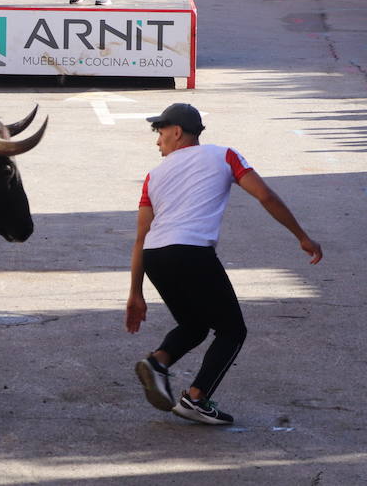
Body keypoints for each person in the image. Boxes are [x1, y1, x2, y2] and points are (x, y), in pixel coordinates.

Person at [127, 103, 322, 426]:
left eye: (160, 133)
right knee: (232, 330)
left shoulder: (153, 177)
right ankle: (196, 398)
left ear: (177, 132)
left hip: (155, 257)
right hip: (191, 252)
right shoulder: (224, 156)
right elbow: (265, 196)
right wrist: (301, 236)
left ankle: (158, 362)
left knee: (194, 325)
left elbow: (140, 237)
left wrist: (135, 292)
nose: (157, 142)